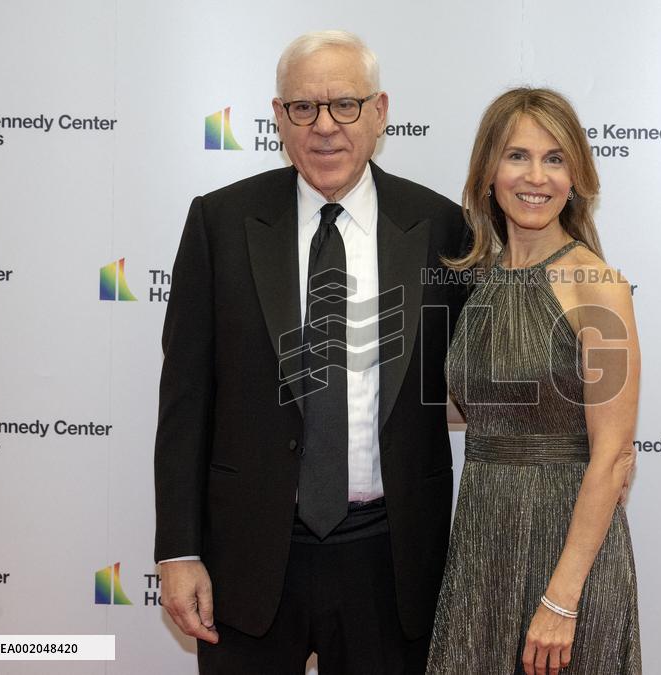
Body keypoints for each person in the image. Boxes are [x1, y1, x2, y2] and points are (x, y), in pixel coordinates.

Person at [154, 30, 468, 674]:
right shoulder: (219, 223)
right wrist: (179, 549)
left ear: (380, 112)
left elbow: (478, 375)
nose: (324, 126)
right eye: (304, 108)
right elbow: (185, 399)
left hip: (393, 557)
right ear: (279, 118)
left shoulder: (440, 226)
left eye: (344, 105)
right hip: (249, 557)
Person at [427, 87, 642, 674]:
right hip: (482, 540)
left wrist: (561, 598)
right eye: (517, 155)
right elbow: (479, 405)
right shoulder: (478, 280)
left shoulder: (598, 284)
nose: (536, 177)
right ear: (488, 170)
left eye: (555, 159)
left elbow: (614, 453)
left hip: (565, 549)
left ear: (577, 176)